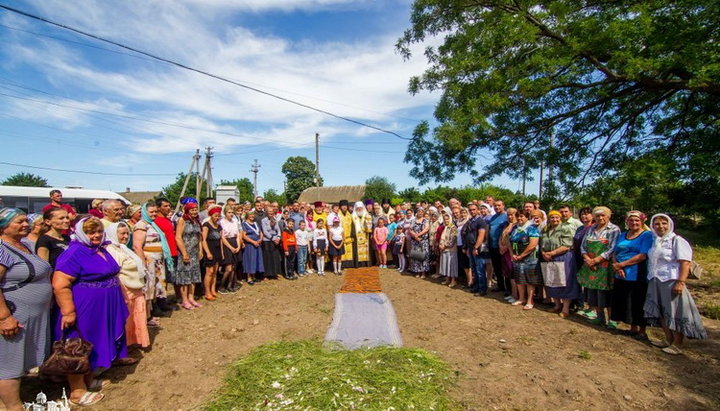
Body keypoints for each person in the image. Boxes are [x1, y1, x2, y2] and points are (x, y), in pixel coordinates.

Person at [53, 217, 131, 407]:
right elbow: (60, 284)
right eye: (90, 232)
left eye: (98, 231)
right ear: (81, 233)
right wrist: (68, 311)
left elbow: (112, 273)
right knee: (78, 344)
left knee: (94, 341)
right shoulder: (74, 253)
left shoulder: (99, 249)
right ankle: (77, 391)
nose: (96, 235)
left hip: (105, 304)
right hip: (84, 306)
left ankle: (88, 379)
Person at [0, 208, 53, 411]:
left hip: (32, 313)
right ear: (4, 226)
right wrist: (4, 317)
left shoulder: (22, 245)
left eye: (25, 221)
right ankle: (13, 407)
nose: (25, 224)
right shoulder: (2, 249)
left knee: (19, 358)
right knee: (9, 364)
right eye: (19, 222)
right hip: (14, 314)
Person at [644, 213, 707, 354]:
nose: (660, 226)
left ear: (670, 225)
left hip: (671, 280)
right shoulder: (656, 241)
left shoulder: (677, 240)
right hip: (655, 279)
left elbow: (685, 262)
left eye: (663, 223)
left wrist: (680, 282)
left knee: (674, 312)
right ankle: (668, 339)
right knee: (661, 310)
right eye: (657, 224)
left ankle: (678, 344)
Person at [105, 222, 150, 348]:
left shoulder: (123, 248)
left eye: (127, 233)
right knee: (126, 318)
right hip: (125, 288)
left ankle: (133, 341)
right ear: (113, 234)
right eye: (122, 234)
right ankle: (124, 345)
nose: (125, 236)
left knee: (136, 316)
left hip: (135, 287)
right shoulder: (111, 250)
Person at [610, 211, 653, 339]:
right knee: (626, 300)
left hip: (637, 273)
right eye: (631, 220)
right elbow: (614, 252)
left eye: (637, 221)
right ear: (627, 222)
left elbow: (643, 255)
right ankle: (632, 328)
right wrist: (616, 265)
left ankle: (642, 330)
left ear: (642, 222)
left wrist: (622, 265)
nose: (634, 223)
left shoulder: (647, 235)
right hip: (621, 273)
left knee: (638, 300)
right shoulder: (623, 235)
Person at [578, 206, 621, 328]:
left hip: (605, 266)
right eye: (597, 216)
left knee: (607, 292)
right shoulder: (591, 228)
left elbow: (611, 248)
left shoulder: (614, 229)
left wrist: (596, 260)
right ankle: (599, 317)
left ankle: (612, 320)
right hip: (590, 265)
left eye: (603, 215)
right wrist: (587, 259)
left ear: (609, 216)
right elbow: (583, 246)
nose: (600, 218)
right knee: (594, 292)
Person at [132, 203, 173, 322]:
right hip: (149, 260)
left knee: (155, 286)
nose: (154, 214)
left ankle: (152, 311)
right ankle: (147, 316)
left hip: (157, 261)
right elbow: (137, 246)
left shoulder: (153, 224)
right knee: (149, 287)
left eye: (155, 211)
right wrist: (143, 263)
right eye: (151, 212)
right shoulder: (141, 225)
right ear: (145, 212)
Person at [540, 210, 581, 317]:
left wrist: (551, 253)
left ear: (560, 218)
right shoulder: (545, 230)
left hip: (563, 257)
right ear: (549, 219)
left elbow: (566, 245)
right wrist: (544, 253)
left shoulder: (564, 228)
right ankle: (557, 305)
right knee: (552, 282)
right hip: (548, 259)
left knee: (565, 283)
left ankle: (565, 308)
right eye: (552, 217)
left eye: (557, 217)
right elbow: (541, 244)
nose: (554, 219)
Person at [509, 210, 541, 309]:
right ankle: (521, 298)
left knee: (529, 280)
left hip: (530, 259)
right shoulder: (515, 229)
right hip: (517, 258)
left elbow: (533, 245)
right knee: (519, 279)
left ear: (527, 217)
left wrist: (521, 255)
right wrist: (512, 254)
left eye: (522, 216)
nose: (519, 218)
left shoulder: (532, 228)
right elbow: (510, 243)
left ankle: (530, 300)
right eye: (518, 216)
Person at [174, 202, 203, 309]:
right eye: (192, 210)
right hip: (185, 252)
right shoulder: (182, 220)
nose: (195, 212)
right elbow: (178, 237)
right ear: (187, 210)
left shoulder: (196, 221)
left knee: (194, 276)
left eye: (196, 209)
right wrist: (184, 252)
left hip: (195, 252)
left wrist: (200, 250)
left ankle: (191, 298)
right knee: (185, 277)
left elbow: (199, 237)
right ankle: (184, 300)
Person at [154, 198, 179, 308]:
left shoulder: (168, 220)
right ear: (158, 208)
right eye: (165, 206)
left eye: (169, 206)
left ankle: (169, 299)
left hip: (173, 252)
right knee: (163, 279)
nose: (168, 208)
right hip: (164, 253)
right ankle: (161, 303)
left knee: (171, 277)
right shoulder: (156, 221)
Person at [573, 207, 595, 318]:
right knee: (581, 282)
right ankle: (581, 304)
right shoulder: (580, 228)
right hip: (578, 257)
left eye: (587, 214)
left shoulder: (594, 228)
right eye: (582, 214)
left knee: (590, 284)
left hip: (590, 260)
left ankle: (592, 308)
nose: (584, 216)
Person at [463, 204, 488, 294]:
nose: (472, 211)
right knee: (474, 269)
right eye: (470, 210)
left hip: (478, 249)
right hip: (470, 248)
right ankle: (476, 286)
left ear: (478, 210)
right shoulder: (470, 221)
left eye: (474, 209)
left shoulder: (481, 221)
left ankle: (482, 289)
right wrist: (466, 247)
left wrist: (476, 247)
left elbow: (481, 235)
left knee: (480, 269)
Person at [201, 205, 222, 300]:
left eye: (218, 216)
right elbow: (203, 239)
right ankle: (207, 292)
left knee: (215, 272)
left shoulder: (219, 226)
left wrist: (221, 252)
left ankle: (213, 290)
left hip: (217, 250)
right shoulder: (206, 225)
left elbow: (221, 239)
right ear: (211, 215)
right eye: (215, 216)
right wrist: (208, 252)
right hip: (209, 250)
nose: (217, 218)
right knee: (209, 272)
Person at [219, 206, 242, 294]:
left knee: (234, 267)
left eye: (232, 212)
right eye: (229, 212)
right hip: (227, 244)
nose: (231, 214)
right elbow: (222, 237)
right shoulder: (222, 222)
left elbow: (237, 235)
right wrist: (230, 247)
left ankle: (230, 285)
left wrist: (238, 246)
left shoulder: (234, 222)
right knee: (228, 268)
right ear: (225, 213)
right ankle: (221, 285)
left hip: (234, 242)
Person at [489, 201, 509, 295]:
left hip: (502, 247)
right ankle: (500, 286)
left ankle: (508, 289)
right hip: (492, 246)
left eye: (499, 205)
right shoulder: (493, 217)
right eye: (495, 206)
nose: (497, 207)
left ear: (503, 206)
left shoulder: (506, 217)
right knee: (497, 268)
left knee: (505, 268)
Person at [499, 208, 517, 303]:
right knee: (507, 273)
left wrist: (505, 247)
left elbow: (511, 239)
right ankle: (511, 292)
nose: (510, 216)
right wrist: (500, 246)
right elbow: (501, 236)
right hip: (503, 252)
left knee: (512, 273)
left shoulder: (516, 226)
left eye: (512, 215)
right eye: (508, 215)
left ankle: (516, 294)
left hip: (510, 252)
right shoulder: (506, 224)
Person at [241, 212, 264, 285]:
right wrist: (253, 242)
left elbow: (260, 232)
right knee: (250, 260)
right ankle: (249, 277)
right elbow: (244, 236)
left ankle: (254, 276)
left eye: (253, 215)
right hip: (250, 245)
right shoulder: (244, 224)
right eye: (250, 215)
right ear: (247, 216)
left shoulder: (256, 223)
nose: (252, 216)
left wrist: (260, 239)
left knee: (256, 260)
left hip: (257, 244)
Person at [261, 206, 283, 280]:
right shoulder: (263, 220)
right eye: (269, 211)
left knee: (275, 257)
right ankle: (266, 275)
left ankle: (275, 273)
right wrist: (273, 238)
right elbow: (265, 231)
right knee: (267, 258)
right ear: (266, 212)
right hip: (267, 240)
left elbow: (278, 230)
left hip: (275, 240)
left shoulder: (275, 220)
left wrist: (278, 237)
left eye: (271, 211)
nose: (270, 213)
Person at [409, 208, 431, 278]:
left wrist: (418, 235)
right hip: (415, 241)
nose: (420, 213)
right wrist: (415, 236)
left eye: (422, 211)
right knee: (416, 256)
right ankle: (418, 271)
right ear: (416, 212)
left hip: (423, 241)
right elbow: (410, 230)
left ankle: (423, 272)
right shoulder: (413, 220)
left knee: (423, 256)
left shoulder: (426, 220)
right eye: (419, 211)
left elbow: (426, 229)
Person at [438, 213, 458, 287]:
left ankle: (453, 280)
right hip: (444, 249)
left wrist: (445, 246)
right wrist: (440, 245)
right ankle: (447, 279)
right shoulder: (445, 227)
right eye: (444, 219)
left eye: (447, 219)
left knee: (452, 265)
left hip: (451, 249)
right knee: (446, 264)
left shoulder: (454, 228)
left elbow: (453, 239)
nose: (446, 220)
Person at [351, 201, 372, 267]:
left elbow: (370, 225)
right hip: (357, 236)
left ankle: (366, 263)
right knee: (357, 250)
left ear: (363, 208)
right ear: (356, 208)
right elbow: (351, 226)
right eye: (358, 208)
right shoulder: (352, 216)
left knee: (366, 250)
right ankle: (358, 264)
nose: (359, 209)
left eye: (360, 208)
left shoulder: (367, 215)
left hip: (365, 235)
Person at [455, 207, 472, 287]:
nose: (463, 214)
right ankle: (468, 280)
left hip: (464, 245)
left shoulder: (468, 222)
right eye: (462, 213)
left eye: (465, 213)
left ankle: (470, 281)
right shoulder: (458, 222)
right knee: (463, 265)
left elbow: (467, 235)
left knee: (467, 265)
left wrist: (465, 247)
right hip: (458, 244)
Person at [337, 200, 355, 268]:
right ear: (340, 207)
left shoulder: (349, 215)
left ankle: (349, 264)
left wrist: (352, 235)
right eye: (342, 206)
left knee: (349, 252)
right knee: (343, 253)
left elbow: (352, 226)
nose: (344, 207)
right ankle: (342, 265)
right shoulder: (338, 215)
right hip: (341, 237)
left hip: (349, 237)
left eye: (345, 206)